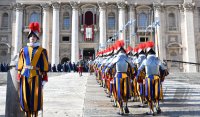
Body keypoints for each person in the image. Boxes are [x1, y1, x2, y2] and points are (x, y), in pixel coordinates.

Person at [16, 22, 49, 117]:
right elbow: (20, 63)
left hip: (36, 76)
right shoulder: (23, 50)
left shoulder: (42, 51)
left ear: (37, 38)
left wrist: (45, 78)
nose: (32, 38)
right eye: (31, 36)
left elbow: (45, 65)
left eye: (34, 36)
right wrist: (19, 74)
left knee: (35, 97)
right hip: (24, 75)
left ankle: (35, 115)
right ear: (29, 37)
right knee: (25, 97)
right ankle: (27, 114)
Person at [137, 41, 168, 115]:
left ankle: (151, 110)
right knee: (157, 94)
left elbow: (139, 69)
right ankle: (157, 106)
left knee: (148, 94)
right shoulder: (157, 60)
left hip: (148, 79)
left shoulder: (145, 61)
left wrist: (138, 76)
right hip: (157, 78)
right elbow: (164, 69)